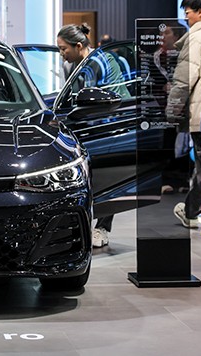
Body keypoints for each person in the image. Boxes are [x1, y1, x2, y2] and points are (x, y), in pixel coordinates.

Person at [57, 23, 127, 247]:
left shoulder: (99, 61)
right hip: (87, 125)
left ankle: (102, 227)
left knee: (106, 177)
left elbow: (103, 98)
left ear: (78, 46)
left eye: (63, 49)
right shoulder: (73, 64)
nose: (61, 54)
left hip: (110, 125)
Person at [166, 0, 201, 231]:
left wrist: (172, 111)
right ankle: (191, 211)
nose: (186, 17)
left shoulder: (196, 37)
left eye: (187, 12)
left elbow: (184, 80)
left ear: (199, 12)